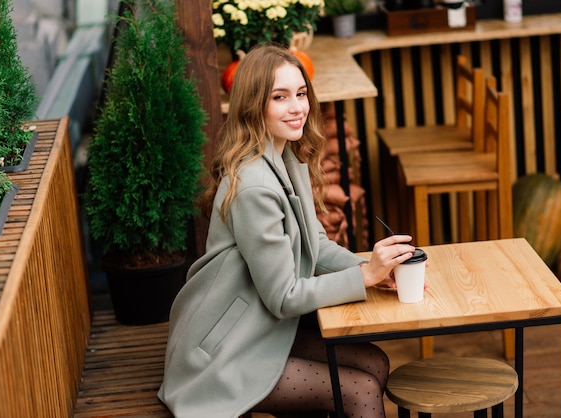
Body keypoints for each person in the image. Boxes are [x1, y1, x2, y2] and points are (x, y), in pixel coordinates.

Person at [158, 44, 416, 418]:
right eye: (280, 97)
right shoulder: (254, 187)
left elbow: (318, 244)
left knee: (374, 363)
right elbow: (283, 296)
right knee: (360, 390)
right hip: (226, 352)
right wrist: (364, 274)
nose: (297, 107)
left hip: (263, 329)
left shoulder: (286, 154)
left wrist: (375, 271)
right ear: (253, 105)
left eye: (300, 94)